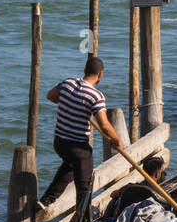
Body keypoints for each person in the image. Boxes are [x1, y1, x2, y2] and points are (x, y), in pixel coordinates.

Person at [38, 56, 123, 212]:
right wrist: (116, 140)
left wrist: (69, 102)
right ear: (100, 75)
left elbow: (50, 96)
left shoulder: (67, 83)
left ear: (85, 71)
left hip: (59, 142)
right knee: (85, 187)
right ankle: (82, 219)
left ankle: (46, 200)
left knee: (69, 166)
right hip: (78, 147)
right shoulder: (96, 96)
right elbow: (104, 124)